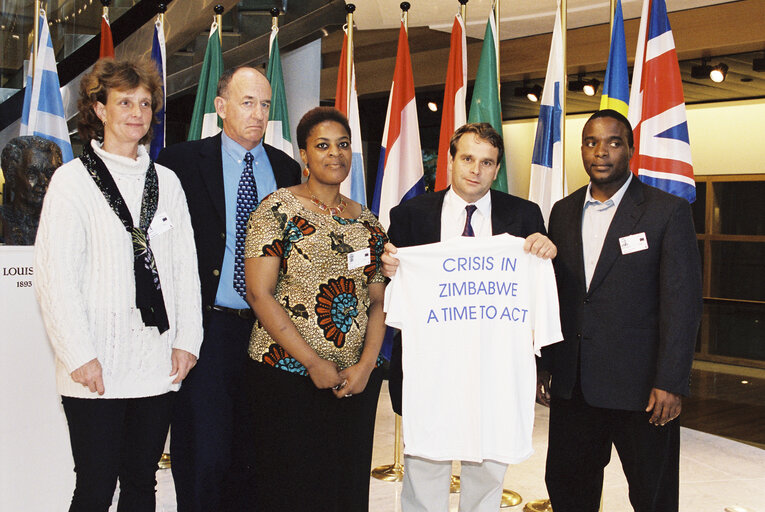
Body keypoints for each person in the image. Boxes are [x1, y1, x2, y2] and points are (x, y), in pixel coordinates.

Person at [34, 58, 203, 511]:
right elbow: (55, 278)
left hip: (155, 362)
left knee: (141, 483)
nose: (136, 112)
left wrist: (187, 340)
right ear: (99, 109)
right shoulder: (70, 182)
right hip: (96, 366)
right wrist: (79, 354)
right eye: (124, 101)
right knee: (94, 485)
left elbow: (185, 270)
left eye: (145, 103)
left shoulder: (167, 183)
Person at [381, 122, 557, 512]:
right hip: (432, 371)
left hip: (495, 373)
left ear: (497, 169)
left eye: (487, 162)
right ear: (450, 160)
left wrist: (544, 250)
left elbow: (538, 287)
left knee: (487, 476)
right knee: (425, 471)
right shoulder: (411, 215)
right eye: (467, 158)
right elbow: (386, 285)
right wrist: (390, 268)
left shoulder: (525, 216)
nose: (475, 170)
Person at [537, 109, 702, 512]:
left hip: (643, 391)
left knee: (653, 495)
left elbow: (682, 304)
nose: (601, 152)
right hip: (574, 387)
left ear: (630, 148)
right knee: (568, 488)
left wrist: (672, 382)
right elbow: (553, 296)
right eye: (592, 142)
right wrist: (545, 365)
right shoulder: (562, 211)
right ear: (582, 150)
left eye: (613, 142)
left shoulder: (667, 212)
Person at [155, 65, 301, 511]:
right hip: (207, 329)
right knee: (205, 452)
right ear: (220, 108)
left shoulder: (286, 167)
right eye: (246, 102)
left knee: (255, 450)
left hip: (269, 330)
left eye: (264, 104)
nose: (257, 114)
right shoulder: (178, 163)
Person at [241, 106, 387, 511]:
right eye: (322, 146)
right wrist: (311, 363)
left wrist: (367, 365)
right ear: (304, 154)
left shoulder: (368, 223)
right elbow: (259, 294)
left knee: (346, 486)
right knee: (290, 487)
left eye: (343, 145)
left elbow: (379, 300)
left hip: (354, 381)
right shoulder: (275, 210)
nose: (334, 154)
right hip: (286, 374)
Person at [0, 135, 62, 244]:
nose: (43, 182)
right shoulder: (3, 219)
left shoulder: (65, 221)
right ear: (11, 177)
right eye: (32, 174)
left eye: (49, 173)